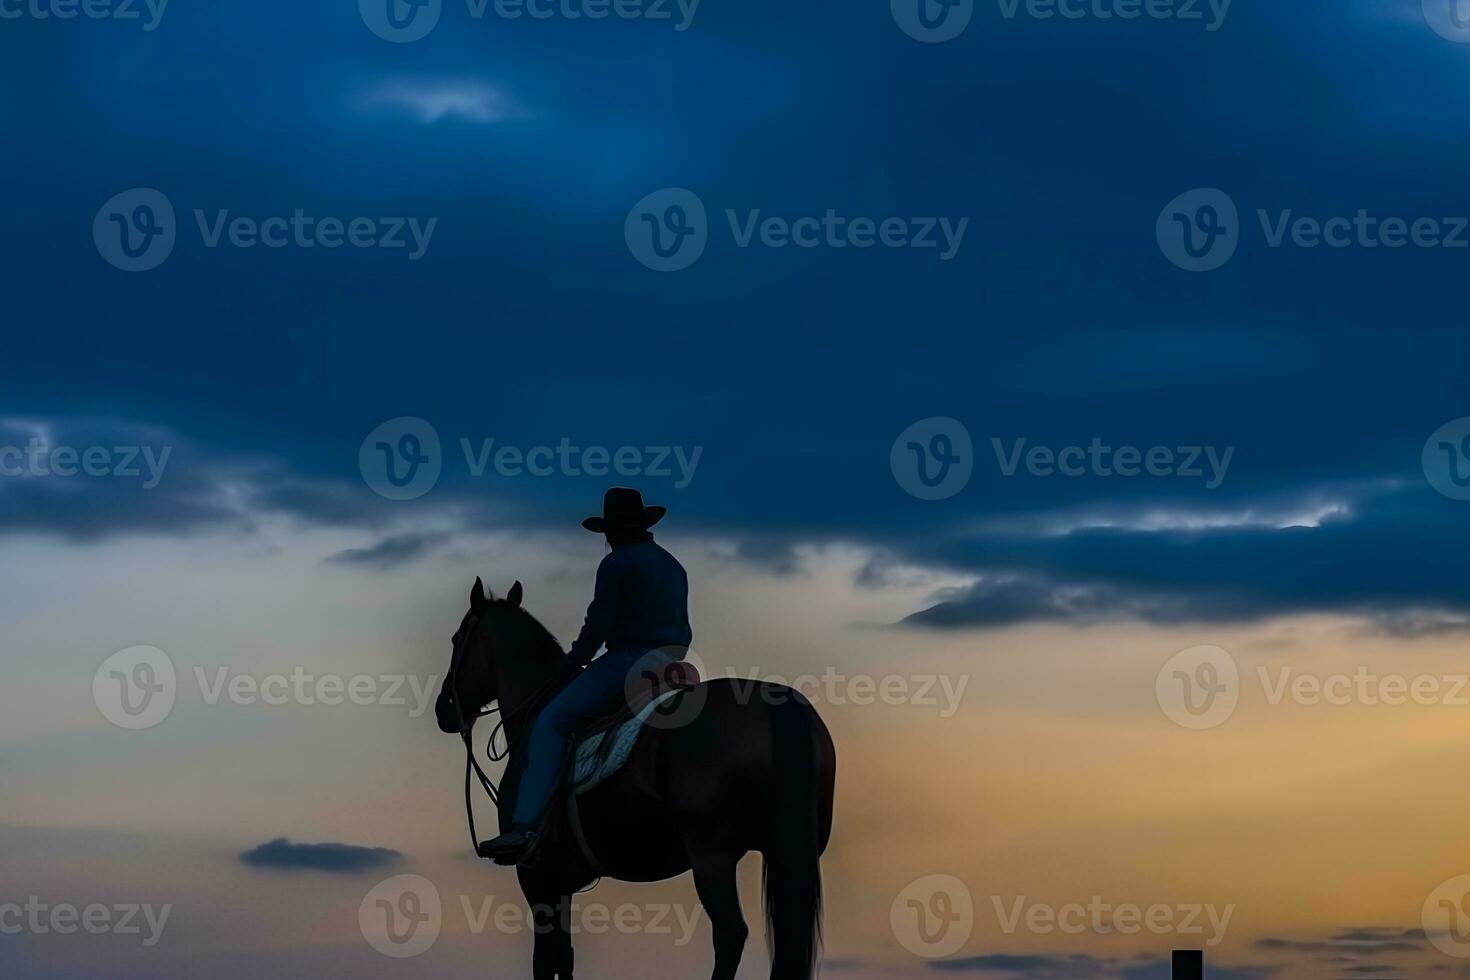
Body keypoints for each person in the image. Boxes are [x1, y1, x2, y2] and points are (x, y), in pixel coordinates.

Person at [479, 487, 692, 863]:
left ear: (611, 531)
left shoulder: (617, 564)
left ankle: (524, 827)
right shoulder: (673, 564)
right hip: (675, 662)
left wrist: (573, 661)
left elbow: (599, 625)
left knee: (552, 723)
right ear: (643, 525)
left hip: (630, 660)